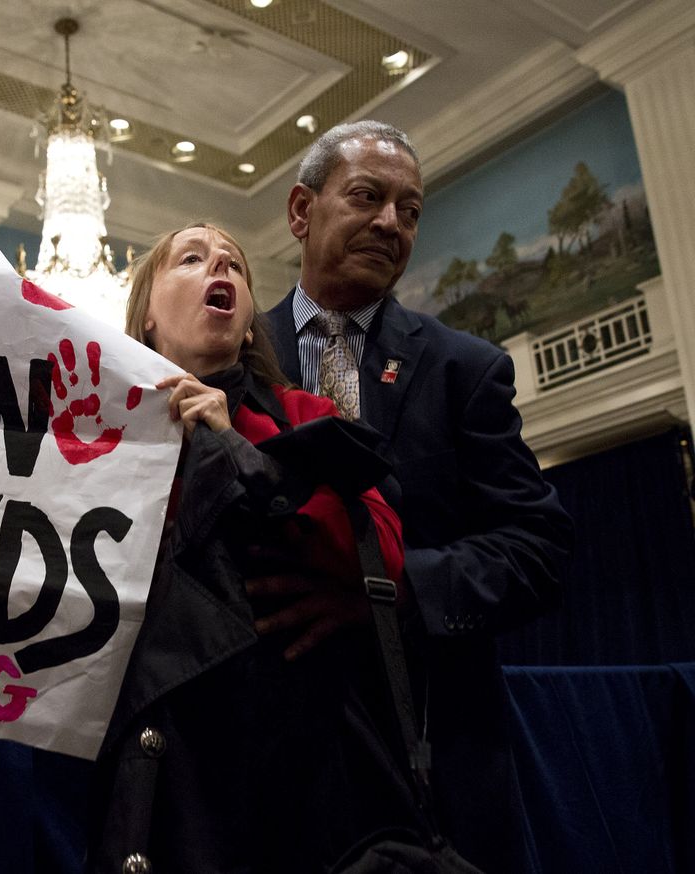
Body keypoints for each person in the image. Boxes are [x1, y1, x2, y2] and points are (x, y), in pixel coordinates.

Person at [264, 120, 573, 873]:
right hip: (266, 770)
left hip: (437, 770)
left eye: (410, 209)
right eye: (368, 197)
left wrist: (394, 589)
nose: (390, 223)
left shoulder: (467, 369)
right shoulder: (231, 354)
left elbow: (539, 548)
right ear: (302, 211)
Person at [91, 223, 418, 873]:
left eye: (234, 264)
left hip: (277, 758)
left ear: (246, 329)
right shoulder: (94, 430)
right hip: (133, 754)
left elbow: (381, 553)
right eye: (191, 258)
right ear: (146, 317)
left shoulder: (307, 417)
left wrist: (230, 443)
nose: (220, 266)